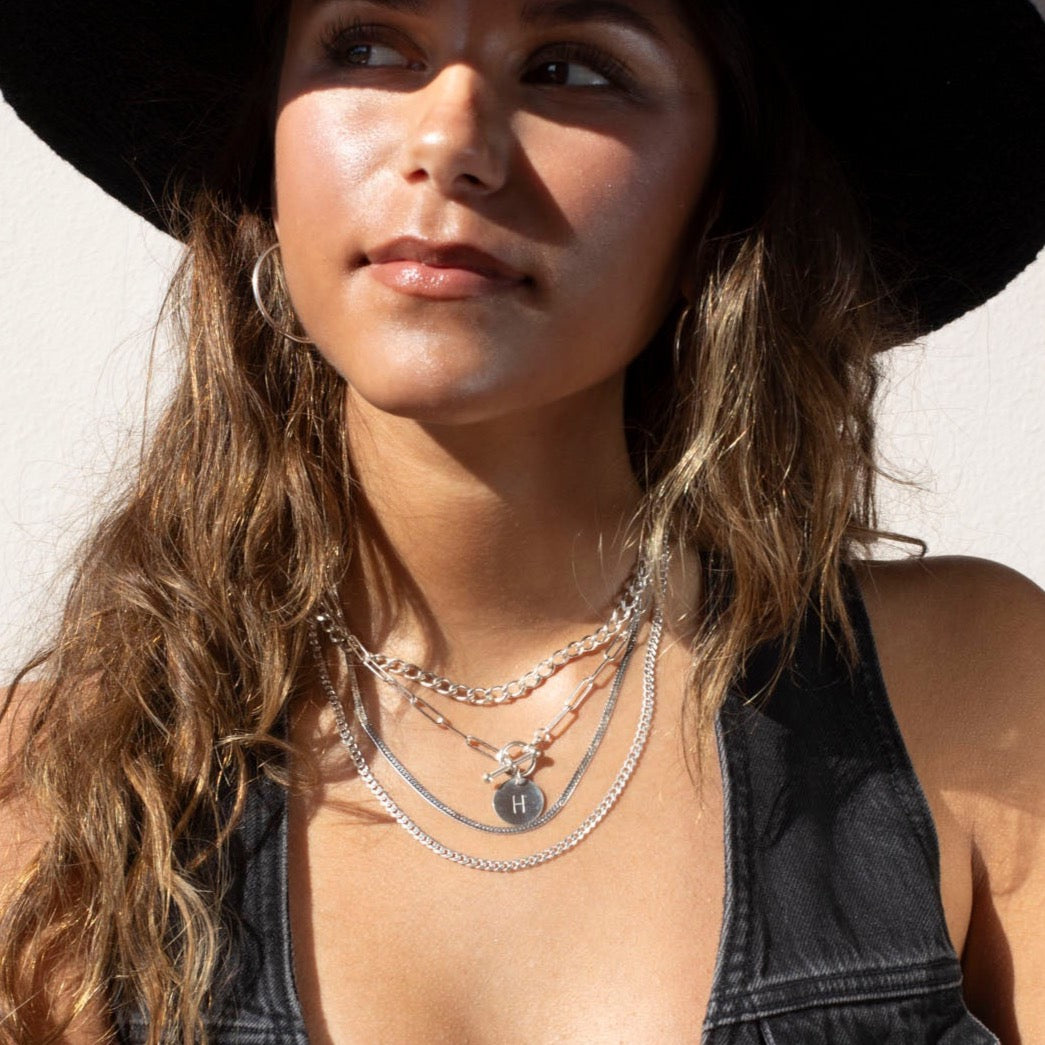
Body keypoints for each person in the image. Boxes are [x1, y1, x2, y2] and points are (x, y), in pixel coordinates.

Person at [1, 0, 1044, 1042]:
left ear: (720, 198)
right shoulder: (64, 797)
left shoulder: (968, 689)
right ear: (268, 159)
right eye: (365, 46)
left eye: (571, 67)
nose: (449, 139)